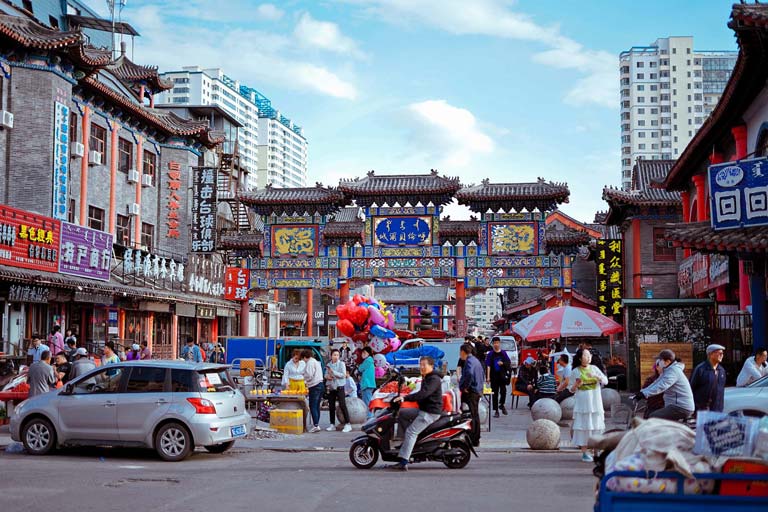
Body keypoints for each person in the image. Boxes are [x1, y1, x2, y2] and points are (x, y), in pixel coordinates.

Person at [387, 356, 444, 471]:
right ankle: (405, 444)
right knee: (402, 413)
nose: (421, 367)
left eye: (424, 365)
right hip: (423, 409)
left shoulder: (434, 379)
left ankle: (403, 462)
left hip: (430, 412)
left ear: (431, 366)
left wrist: (405, 398)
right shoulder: (427, 377)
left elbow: (423, 394)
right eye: (420, 364)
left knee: (411, 431)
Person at [634, 349, 694, 421]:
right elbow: (657, 383)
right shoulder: (668, 370)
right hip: (675, 405)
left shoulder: (673, 371)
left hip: (681, 407)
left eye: (660, 360)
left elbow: (662, 386)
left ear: (667, 361)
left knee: (653, 417)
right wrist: (642, 392)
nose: (658, 362)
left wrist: (644, 394)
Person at [570, 348, 608, 462]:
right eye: (586, 355)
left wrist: (598, 377)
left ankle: (597, 450)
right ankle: (585, 452)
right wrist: (576, 385)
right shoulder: (575, 371)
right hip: (582, 404)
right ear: (580, 358)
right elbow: (571, 389)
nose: (589, 357)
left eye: (589, 355)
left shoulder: (595, 369)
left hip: (595, 403)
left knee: (596, 425)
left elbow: (605, 381)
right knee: (583, 426)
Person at [459, 343, 483, 447]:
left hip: (472, 392)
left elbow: (469, 374)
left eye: (460, 352)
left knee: (472, 415)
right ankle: (475, 438)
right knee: (475, 414)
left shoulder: (469, 361)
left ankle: (473, 438)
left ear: (463, 352)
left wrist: (465, 387)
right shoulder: (476, 360)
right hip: (477, 390)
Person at [690, 344, 727, 413]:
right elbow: (691, 388)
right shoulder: (700, 369)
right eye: (719, 353)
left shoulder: (721, 370)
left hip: (717, 409)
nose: (722, 355)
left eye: (722, 353)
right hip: (702, 409)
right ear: (710, 354)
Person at [326, 348, 352, 432]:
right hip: (331, 386)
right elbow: (325, 374)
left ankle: (348, 424)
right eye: (334, 355)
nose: (336, 357)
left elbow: (343, 375)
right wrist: (327, 376)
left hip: (340, 386)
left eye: (337, 355)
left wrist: (333, 372)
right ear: (331, 356)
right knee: (331, 406)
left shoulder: (341, 364)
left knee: (342, 404)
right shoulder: (328, 364)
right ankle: (332, 424)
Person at [485, 336, 512, 417]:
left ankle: (502, 404)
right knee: (495, 393)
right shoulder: (490, 354)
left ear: (499, 343)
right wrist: (488, 377)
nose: (496, 344)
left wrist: (503, 363)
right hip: (494, 376)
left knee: (503, 391)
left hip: (502, 375)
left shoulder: (503, 353)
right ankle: (496, 410)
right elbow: (488, 365)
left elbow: (508, 362)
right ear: (493, 344)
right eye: (494, 343)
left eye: (497, 343)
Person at [302, 349, 324, 433]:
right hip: (320, 385)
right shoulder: (315, 361)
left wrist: (304, 378)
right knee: (317, 406)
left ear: (305, 357)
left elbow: (309, 375)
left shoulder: (310, 363)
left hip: (314, 386)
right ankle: (316, 423)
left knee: (313, 406)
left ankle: (316, 425)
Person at [359, 346, 376, 417]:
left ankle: (369, 417)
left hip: (367, 384)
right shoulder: (370, 360)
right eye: (362, 353)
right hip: (368, 384)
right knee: (367, 401)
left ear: (368, 353)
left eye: (364, 353)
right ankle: (368, 417)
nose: (363, 354)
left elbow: (360, 368)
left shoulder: (368, 360)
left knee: (367, 402)